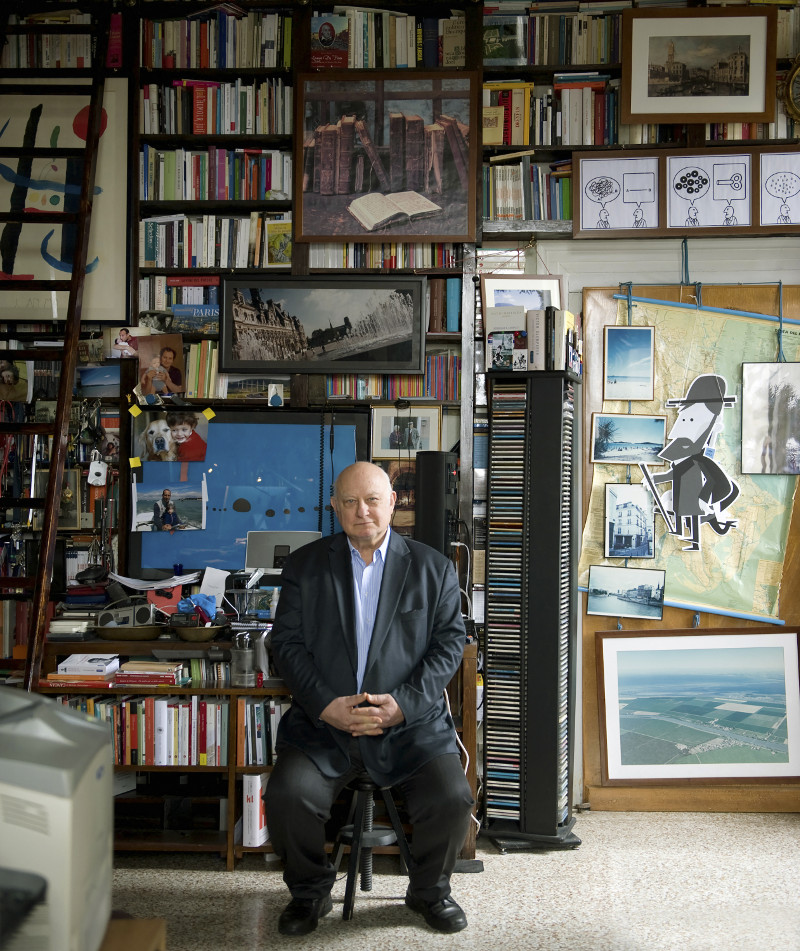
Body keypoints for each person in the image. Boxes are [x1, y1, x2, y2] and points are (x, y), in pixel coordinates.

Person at [265, 462, 473, 937]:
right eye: (351, 501)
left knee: (452, 796)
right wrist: (325, 705)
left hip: (409, 725)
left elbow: (448, 646)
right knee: (287, 795)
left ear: (393, 503)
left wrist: (402, 704)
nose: (363, 511)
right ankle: (309, 893)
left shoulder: (433, 568)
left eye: (373, 499)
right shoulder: (304, 566)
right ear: (335, 507)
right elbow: (287, 645)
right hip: (324, 727)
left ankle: (429, 892)